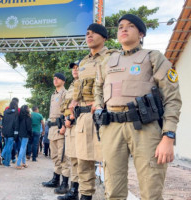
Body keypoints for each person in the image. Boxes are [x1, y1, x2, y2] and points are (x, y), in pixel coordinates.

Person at [94, 14, 182, 200]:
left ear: (141, 33)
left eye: (130, 26)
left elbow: (172, 98)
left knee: (151, 190)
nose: (124, 29)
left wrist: (168, 136)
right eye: (120, 27)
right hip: (112, 127)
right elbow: (98, 87)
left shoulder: (153, 57)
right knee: (113, 190)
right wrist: (98, 104)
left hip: (145, 127)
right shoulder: (107, 62)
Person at [69, 23, 110, 200]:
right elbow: (78, 87)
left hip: (104, 114)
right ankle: (85, 196)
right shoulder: (83, 62)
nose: (89, 36)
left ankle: (112, 195)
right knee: (84, 159)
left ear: (104, 37)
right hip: (84, 116)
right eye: (87, 33)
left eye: (93, 33)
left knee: (109, 160)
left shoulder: (112, 57)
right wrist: (74, 101)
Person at [42, 73, 70, 195]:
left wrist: (64, 126)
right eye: (54, 78)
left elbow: (67, 111)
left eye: (57, 78)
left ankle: (65, 184)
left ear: (63, 81)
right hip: (52, 128)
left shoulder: (65, 93)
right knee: (54, 156)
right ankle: (56, 179)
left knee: (63, 156)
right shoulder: (54, 94)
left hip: (60, 127)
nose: (55, 80)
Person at [57, 61, 80, 200]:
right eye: (73, 68)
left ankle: (76, 191)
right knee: (72, 158)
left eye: (78, 68)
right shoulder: (73, 84)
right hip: (69, 124)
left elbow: (79, 104)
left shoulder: (82, 83)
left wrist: (69, 120)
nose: (75, 70)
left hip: (76, 123)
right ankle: (73, 190)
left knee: (78, 159)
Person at [0, 101, 19, 167]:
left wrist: (2, 131)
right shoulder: (16, 113)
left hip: (5, 132)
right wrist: (16, 134)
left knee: (6, 145)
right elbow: (16, 125)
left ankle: (2, 155)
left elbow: (3, 122)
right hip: (12, 132)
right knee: (9, 148)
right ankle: (6, 163)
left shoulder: (5, 112)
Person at [16, 105, 32, 169]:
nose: (29, 109)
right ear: (26, 110)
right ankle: (18, 164)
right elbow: (29, 128)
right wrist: (31, 134)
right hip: (26, 134)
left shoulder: (20, 117)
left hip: (20, 134)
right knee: (22, 148)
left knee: (23, 148)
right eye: (28, 108)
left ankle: (24, 163)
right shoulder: (28, 117)